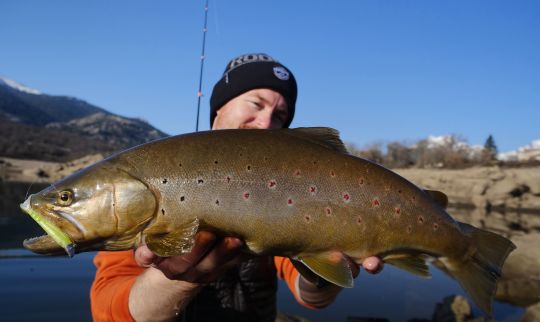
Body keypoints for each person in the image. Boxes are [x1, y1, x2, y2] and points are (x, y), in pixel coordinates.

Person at [90, 53, 383, 322]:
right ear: (218, 108)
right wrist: (173, 280)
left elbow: (310, 296)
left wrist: (328, 267)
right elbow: (106, 309)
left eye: (280, 115)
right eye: (256, 104)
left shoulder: (281, 188)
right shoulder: (152, 179)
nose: (266, 122)